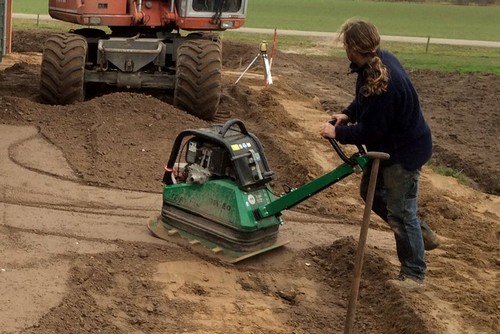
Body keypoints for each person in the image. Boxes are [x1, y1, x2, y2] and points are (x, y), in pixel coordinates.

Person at [319, 18, 440, 289]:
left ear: (352, 48)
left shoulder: (385, 82)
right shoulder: (374, 64)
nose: (343, 48)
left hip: (403, 153)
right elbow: (365, 100)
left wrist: (336, 133)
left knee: (400, 212)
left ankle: (413, 275)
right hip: (390, 146)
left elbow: (370, 132)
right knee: (371, 194)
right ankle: (420, 234)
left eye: (345, 44)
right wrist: (348, 113)